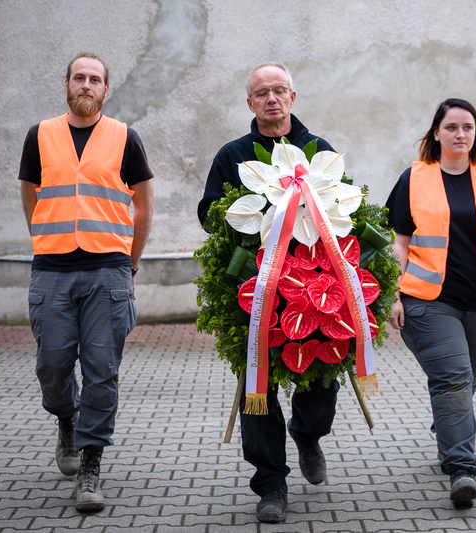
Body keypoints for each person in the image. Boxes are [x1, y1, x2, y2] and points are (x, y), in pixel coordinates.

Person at [198, 62, 337, 523]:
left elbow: (342, 214)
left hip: (314, 291)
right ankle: (271, 485)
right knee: (257, 391)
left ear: (292, 98)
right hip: (253, 293)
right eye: (262, 93)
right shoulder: (232, 156)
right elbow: (209, 215)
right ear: (250, 103)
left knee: (321, 384)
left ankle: (307, 432)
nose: (272, 99)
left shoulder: (319, 151)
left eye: (279, 91)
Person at [18, 52, 154, 512]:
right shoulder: (40, 135)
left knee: (102, 371)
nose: (86, 85)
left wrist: (129, 264)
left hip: (108, 270)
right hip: (52, 269)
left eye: (95, 79)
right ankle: (66, 420)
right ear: (66, 84)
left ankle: (91, 464)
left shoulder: (125, 138)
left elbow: (143, 207)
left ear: (105, 89)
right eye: (80, 77)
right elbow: (31, 195)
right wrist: (44, 239)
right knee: (52, 366)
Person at [387, 98, 476, 508]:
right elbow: (400, 243)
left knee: (466, 380)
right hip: (428, 302)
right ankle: (461, 467)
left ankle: (447, 426)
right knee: (453, 379)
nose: (460, 134)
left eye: (468, 126)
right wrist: (392, 293)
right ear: (436, 134)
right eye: (451, 127)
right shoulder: (414, 178)